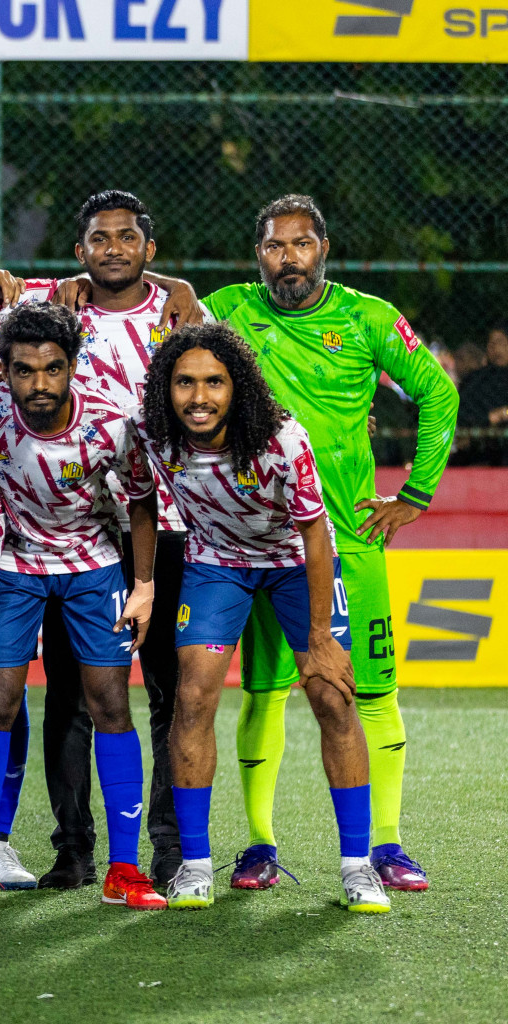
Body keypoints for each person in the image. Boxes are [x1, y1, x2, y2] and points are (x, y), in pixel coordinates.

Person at [199, 196, 458, 892]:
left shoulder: (368, 317)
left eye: (301, 243)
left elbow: (438, 394)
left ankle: (388, 845)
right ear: (258, 255)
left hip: (350, 543)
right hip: (259, 545)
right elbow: (154, 340)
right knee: (265, 694)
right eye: (275, 246)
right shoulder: (227, 311)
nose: (289, 257)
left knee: (369, 694)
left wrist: (414, 494)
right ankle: (258, 845)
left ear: (324, 248)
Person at [135, 322, 390, 914]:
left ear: (237, 387)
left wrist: (321, 637)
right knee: (192, 696)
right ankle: (195, 868)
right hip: (216, 562)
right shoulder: (148, 433)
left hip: (293, 561)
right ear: (165, 389)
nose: (198, 397)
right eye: (184, 383)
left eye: (214, 383)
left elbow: (315, 536)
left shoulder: (281, 439)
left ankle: (359, 867)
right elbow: (141, 500)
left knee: (332, 696)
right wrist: (145, 585)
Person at [0, 302, 164, 911]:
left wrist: (143, 586)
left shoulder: (111, 424)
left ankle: (125, 870)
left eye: (51, 369)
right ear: (5, 369)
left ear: (72, 366)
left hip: (94, 567)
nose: (38, 384)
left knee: (111, 705)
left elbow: (143, 501)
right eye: (23, 371)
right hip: (14, 569)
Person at [18, 190, 196, 889]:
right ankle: (76, 848)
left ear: (150, 251)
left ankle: (166, 846)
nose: (113, 247)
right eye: (100, 237)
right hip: (80, 536)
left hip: (172, 528)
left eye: (127, 237)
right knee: (72, 693)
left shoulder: (183, 313)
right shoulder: (52, 310)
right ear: (79, 251)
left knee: (169, 694)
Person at [458, 326, 508, 465]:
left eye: (501, 341)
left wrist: (503, 413)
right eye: (491, 342)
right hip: (481, 451)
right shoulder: (477, 380)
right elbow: (464, 413)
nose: (495, 347)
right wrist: (491, 418)